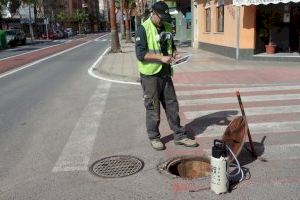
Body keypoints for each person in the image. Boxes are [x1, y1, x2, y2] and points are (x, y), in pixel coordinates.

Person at [135, 1, 199, 151]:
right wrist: (161, 58)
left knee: (172, 106)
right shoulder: (143, 29)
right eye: (160, 17)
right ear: (153, 13)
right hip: (150, 75)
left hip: (165, 73)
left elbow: (171, 45)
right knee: (153, 108)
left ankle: (179, 136)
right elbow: (140, 54)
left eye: (165, 17)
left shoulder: (168, 26)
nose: (163, 20)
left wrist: (174, 53)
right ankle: (154, 137)